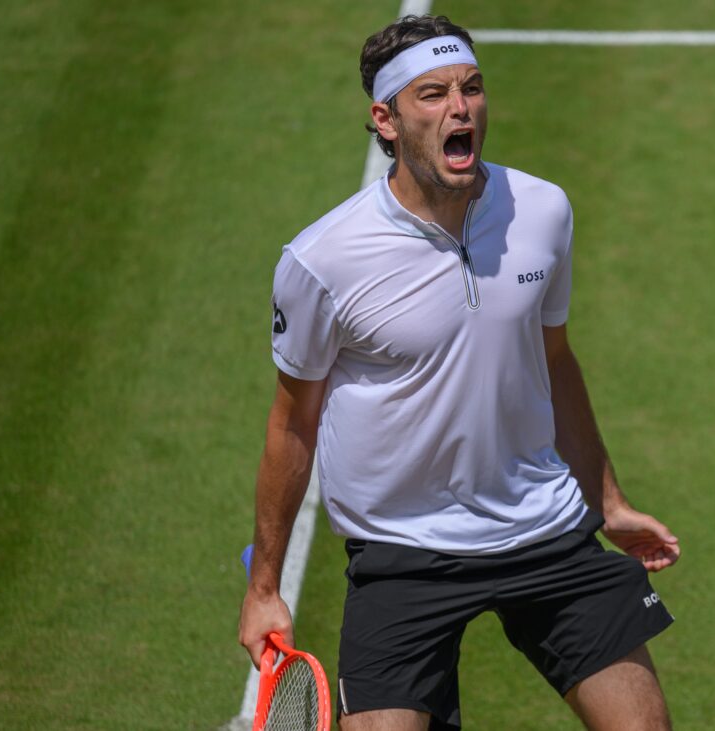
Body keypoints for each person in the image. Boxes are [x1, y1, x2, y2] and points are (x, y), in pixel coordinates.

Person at [238, 14, 679, 731]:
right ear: (385, 120)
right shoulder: (324, 259)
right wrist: (264, 586)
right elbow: (293, 423)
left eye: (471, 89)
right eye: (433, 94)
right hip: (403, 550)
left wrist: (610, 501)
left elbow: (555, 360)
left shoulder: (542, 209)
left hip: (543, 527)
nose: (460, 108)